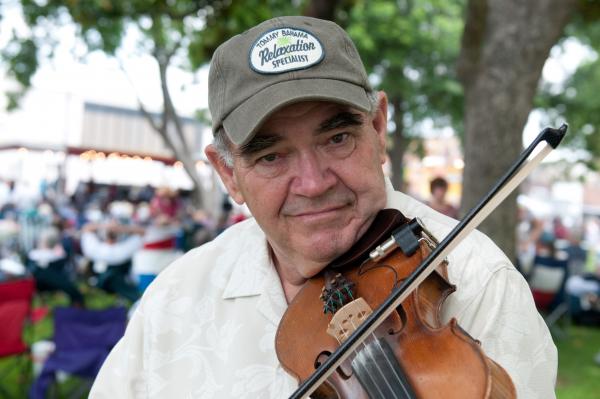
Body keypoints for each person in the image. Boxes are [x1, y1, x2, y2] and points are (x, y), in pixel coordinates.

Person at [91, 16, 556, 398]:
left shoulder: (481, 281)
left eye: (336, 138)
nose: (312, 184)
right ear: (228, 173)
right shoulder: (176, 297)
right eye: (271, 156)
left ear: (377, 127)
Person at [81, 221, 144, 303]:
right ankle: (135, 299)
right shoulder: (96, 247)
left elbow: (143, 232)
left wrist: (120, 228)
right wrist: (106, 225)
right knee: (111, 276)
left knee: (113, 276)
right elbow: (86, 229)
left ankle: (133, 300)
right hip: (101, 281)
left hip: (120, 279)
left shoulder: (124, 248)